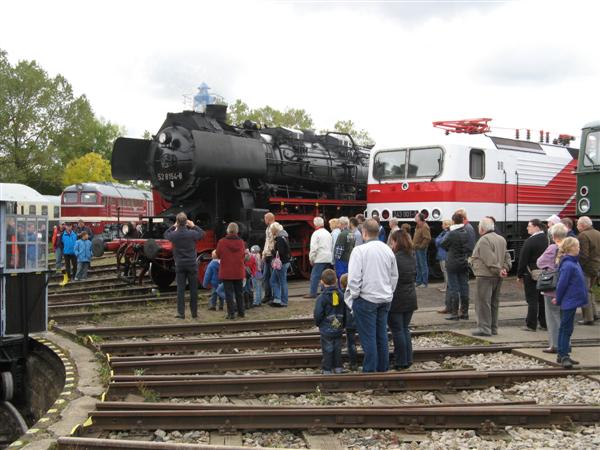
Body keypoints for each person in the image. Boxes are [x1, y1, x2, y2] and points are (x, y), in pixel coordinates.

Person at [347, 218, 398, 372]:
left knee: (368, 337)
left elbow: (354, 278)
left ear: (364, 232)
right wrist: (389, 292)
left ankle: (370, 370)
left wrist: (355, 295)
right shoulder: (387, 249)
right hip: (384, 298)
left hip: (366, 298)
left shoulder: (359, 251)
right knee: (381, 335)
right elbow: (394, 275)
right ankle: (382, 368)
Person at [469, 217, 512, 336]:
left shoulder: (484, 240)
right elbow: (507, 256)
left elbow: (489, 259)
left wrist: (498, 270)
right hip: (497, 276)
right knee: (494, 302)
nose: (478, 228)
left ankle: (484, 328)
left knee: (483, 302)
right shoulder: (501, 239)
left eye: (478, 226)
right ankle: (493, 328)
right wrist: (504, 268)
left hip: (485, 275)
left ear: (482, 228)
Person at [553, 237, 589, 369]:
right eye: (577, 246)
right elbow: (562, 284)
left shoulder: (573, 263)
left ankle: (562, 353)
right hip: (569, 300)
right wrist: (558, 298)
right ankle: (563, 355)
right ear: (571, 248)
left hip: (572, 300)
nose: (579, 248)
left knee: (567, 327)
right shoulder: (569, 264)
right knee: (565, 327)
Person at [164, 212, 205, 319]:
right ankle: (194, 313)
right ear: (186, 222)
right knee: (193, 290)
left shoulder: (174, 235)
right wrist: (193, 225)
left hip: (180, 264)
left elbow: (165, 234)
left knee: (180, 289)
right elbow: (202, 233)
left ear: (177, 222)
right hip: (191, 264)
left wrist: (174, 226)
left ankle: (181, 313)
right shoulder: (192, 233)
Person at [536, 223, 568, 353]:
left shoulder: (552, 248)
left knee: (552, 317)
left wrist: (549, 267)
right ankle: (566, 343)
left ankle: (555, 344)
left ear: (553, 235)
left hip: (552, 288)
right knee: (563, 317)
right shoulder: (569, 246)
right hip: (565, 287)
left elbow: (540, 262)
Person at [388, 229, 417, 369]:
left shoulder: (395, 258)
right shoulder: (412, 255)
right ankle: (408, 358)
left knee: (397, 330)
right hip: (411, 297)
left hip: (397, 298)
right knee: (404, 329)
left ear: (396, 242)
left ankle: (401, 361)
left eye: (392, 241)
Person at [517, 219, 548, 331]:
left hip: (531, 274)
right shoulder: (547, 239)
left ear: (536, 227)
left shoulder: (530, 241)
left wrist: (519, 274)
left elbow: (523, 259)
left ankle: (531, 324)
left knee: (532, 299)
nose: (527, 228)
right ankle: (544, 323)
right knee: (542, 299)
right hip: (545, 273)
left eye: (529, 226)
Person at [441, 212, 473, 320]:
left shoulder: (452, 233)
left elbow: (443, 243)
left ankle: (454, 313)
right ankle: (465, 313)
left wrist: (450, 249)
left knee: (454, 288)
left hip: (452, 263)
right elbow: (469, 248)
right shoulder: (466, 232)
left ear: (453, 221)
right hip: (463, 263)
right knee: (464, 287)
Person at [314, 269, 345, 374]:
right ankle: (338, 367)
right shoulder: (341, 295)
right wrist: (343, 323)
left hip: (326, 328)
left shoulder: (321, 298)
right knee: (337, 348)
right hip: (339, 326)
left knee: (327, 349)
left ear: (322, 281)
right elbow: (345, 310)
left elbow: (318, 313)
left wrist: (318, 323)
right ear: (336, 280)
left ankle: (327, 369)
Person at [216, 222, 246, 319]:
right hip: (238, 271)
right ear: (237, 231)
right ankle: (241, 312)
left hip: (226, 271)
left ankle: (231, 314)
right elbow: (243, 255)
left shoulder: (221, 242)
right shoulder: (241, 242)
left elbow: (218, 254)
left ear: (227, 230)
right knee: (239, 293)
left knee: (228, 294)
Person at [576, 216, 600, 325]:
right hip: (596, 266)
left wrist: (578, 267)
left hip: (587, 268)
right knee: (590, 290)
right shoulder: (597, 233)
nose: (576, 227)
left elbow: (584, 255)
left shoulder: (583, 235)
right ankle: (595, 314)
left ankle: (588, 318)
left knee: (584, 292)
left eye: (578, 225)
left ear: (583, 225)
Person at [306, 217, 332, 299]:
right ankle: (325, 291)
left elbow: (314, 248)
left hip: (320, 258)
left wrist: (311, 258)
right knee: (326, 276)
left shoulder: (316, 234)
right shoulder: (328, 233)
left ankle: (313, 293)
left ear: (315, 224)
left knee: (315, 276)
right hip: (328, 257)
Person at [270, 222, 291, 307]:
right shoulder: (284, 236)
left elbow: (281, 252)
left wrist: (272, 252)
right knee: (274, 280)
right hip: (284, 262)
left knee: (281, 282)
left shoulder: (279, 238)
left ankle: (283, 301)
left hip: (281, 263)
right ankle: (277, 299)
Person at [340, 273, 358, 370]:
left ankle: (353, 363)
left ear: (342, 285)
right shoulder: (357, 293)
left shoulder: (342, 295)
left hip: (349, 322)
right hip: (359, 320)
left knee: (351, 343)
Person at [333, 216, 355, 283]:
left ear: (342, 224)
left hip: (341, 260)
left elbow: (340, 248)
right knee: (347, 277)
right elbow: (352, 245)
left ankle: (342, 292)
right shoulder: (351, 233)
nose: (338, 225)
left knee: (341, 277)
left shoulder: (342, 234)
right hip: (349, 258)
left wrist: (336, 258)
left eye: (339, 223)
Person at [413, 213, 432, 288]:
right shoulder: (418, 226)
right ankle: (418, 281)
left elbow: (427, 238)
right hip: (417, 248)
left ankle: (424, 283)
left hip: (421, 249)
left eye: (416, 216)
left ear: (419, 218)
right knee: (418, 265)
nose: (415, 217)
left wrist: (421, 246)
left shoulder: (424, 226)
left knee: (423, 265)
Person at [261, 212, 276, 304]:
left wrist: (266, 253)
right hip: (268, 255)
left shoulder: (272, 228)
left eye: (265, 219)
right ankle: (268, 295)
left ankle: (271, 296)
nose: (264, 221)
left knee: (269, 277)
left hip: (270, 256)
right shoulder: (269, 228)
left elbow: (271, 242)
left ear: (268, 219)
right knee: (267, 276)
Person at [435, 219, 452, 294]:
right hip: (442, 254)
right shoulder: (443, 233)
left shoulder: (447, 233)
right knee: (444, 271)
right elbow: (437, 240)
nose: (441, 225)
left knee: (445, 271)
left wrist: (438, 241)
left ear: (446, 225)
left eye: (443, 224)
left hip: (444, 255)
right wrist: (438, 241)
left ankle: (447, 287)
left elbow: (440, 241)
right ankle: (446, 286)